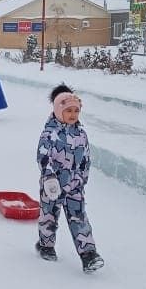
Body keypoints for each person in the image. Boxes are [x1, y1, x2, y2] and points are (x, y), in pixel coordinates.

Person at [36, 85, 103, 273]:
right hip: (53, 185)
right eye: (68, 111)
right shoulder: (50, 134)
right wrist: (48, 177)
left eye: (76, 111)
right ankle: (46, 244)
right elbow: (43, 156)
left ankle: (88, 254)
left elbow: (86, 157)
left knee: (79, 218)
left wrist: (83, 178)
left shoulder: (81, 133)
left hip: (74, 185)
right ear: (58, 111)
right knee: (49, 216)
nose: (73, 115)